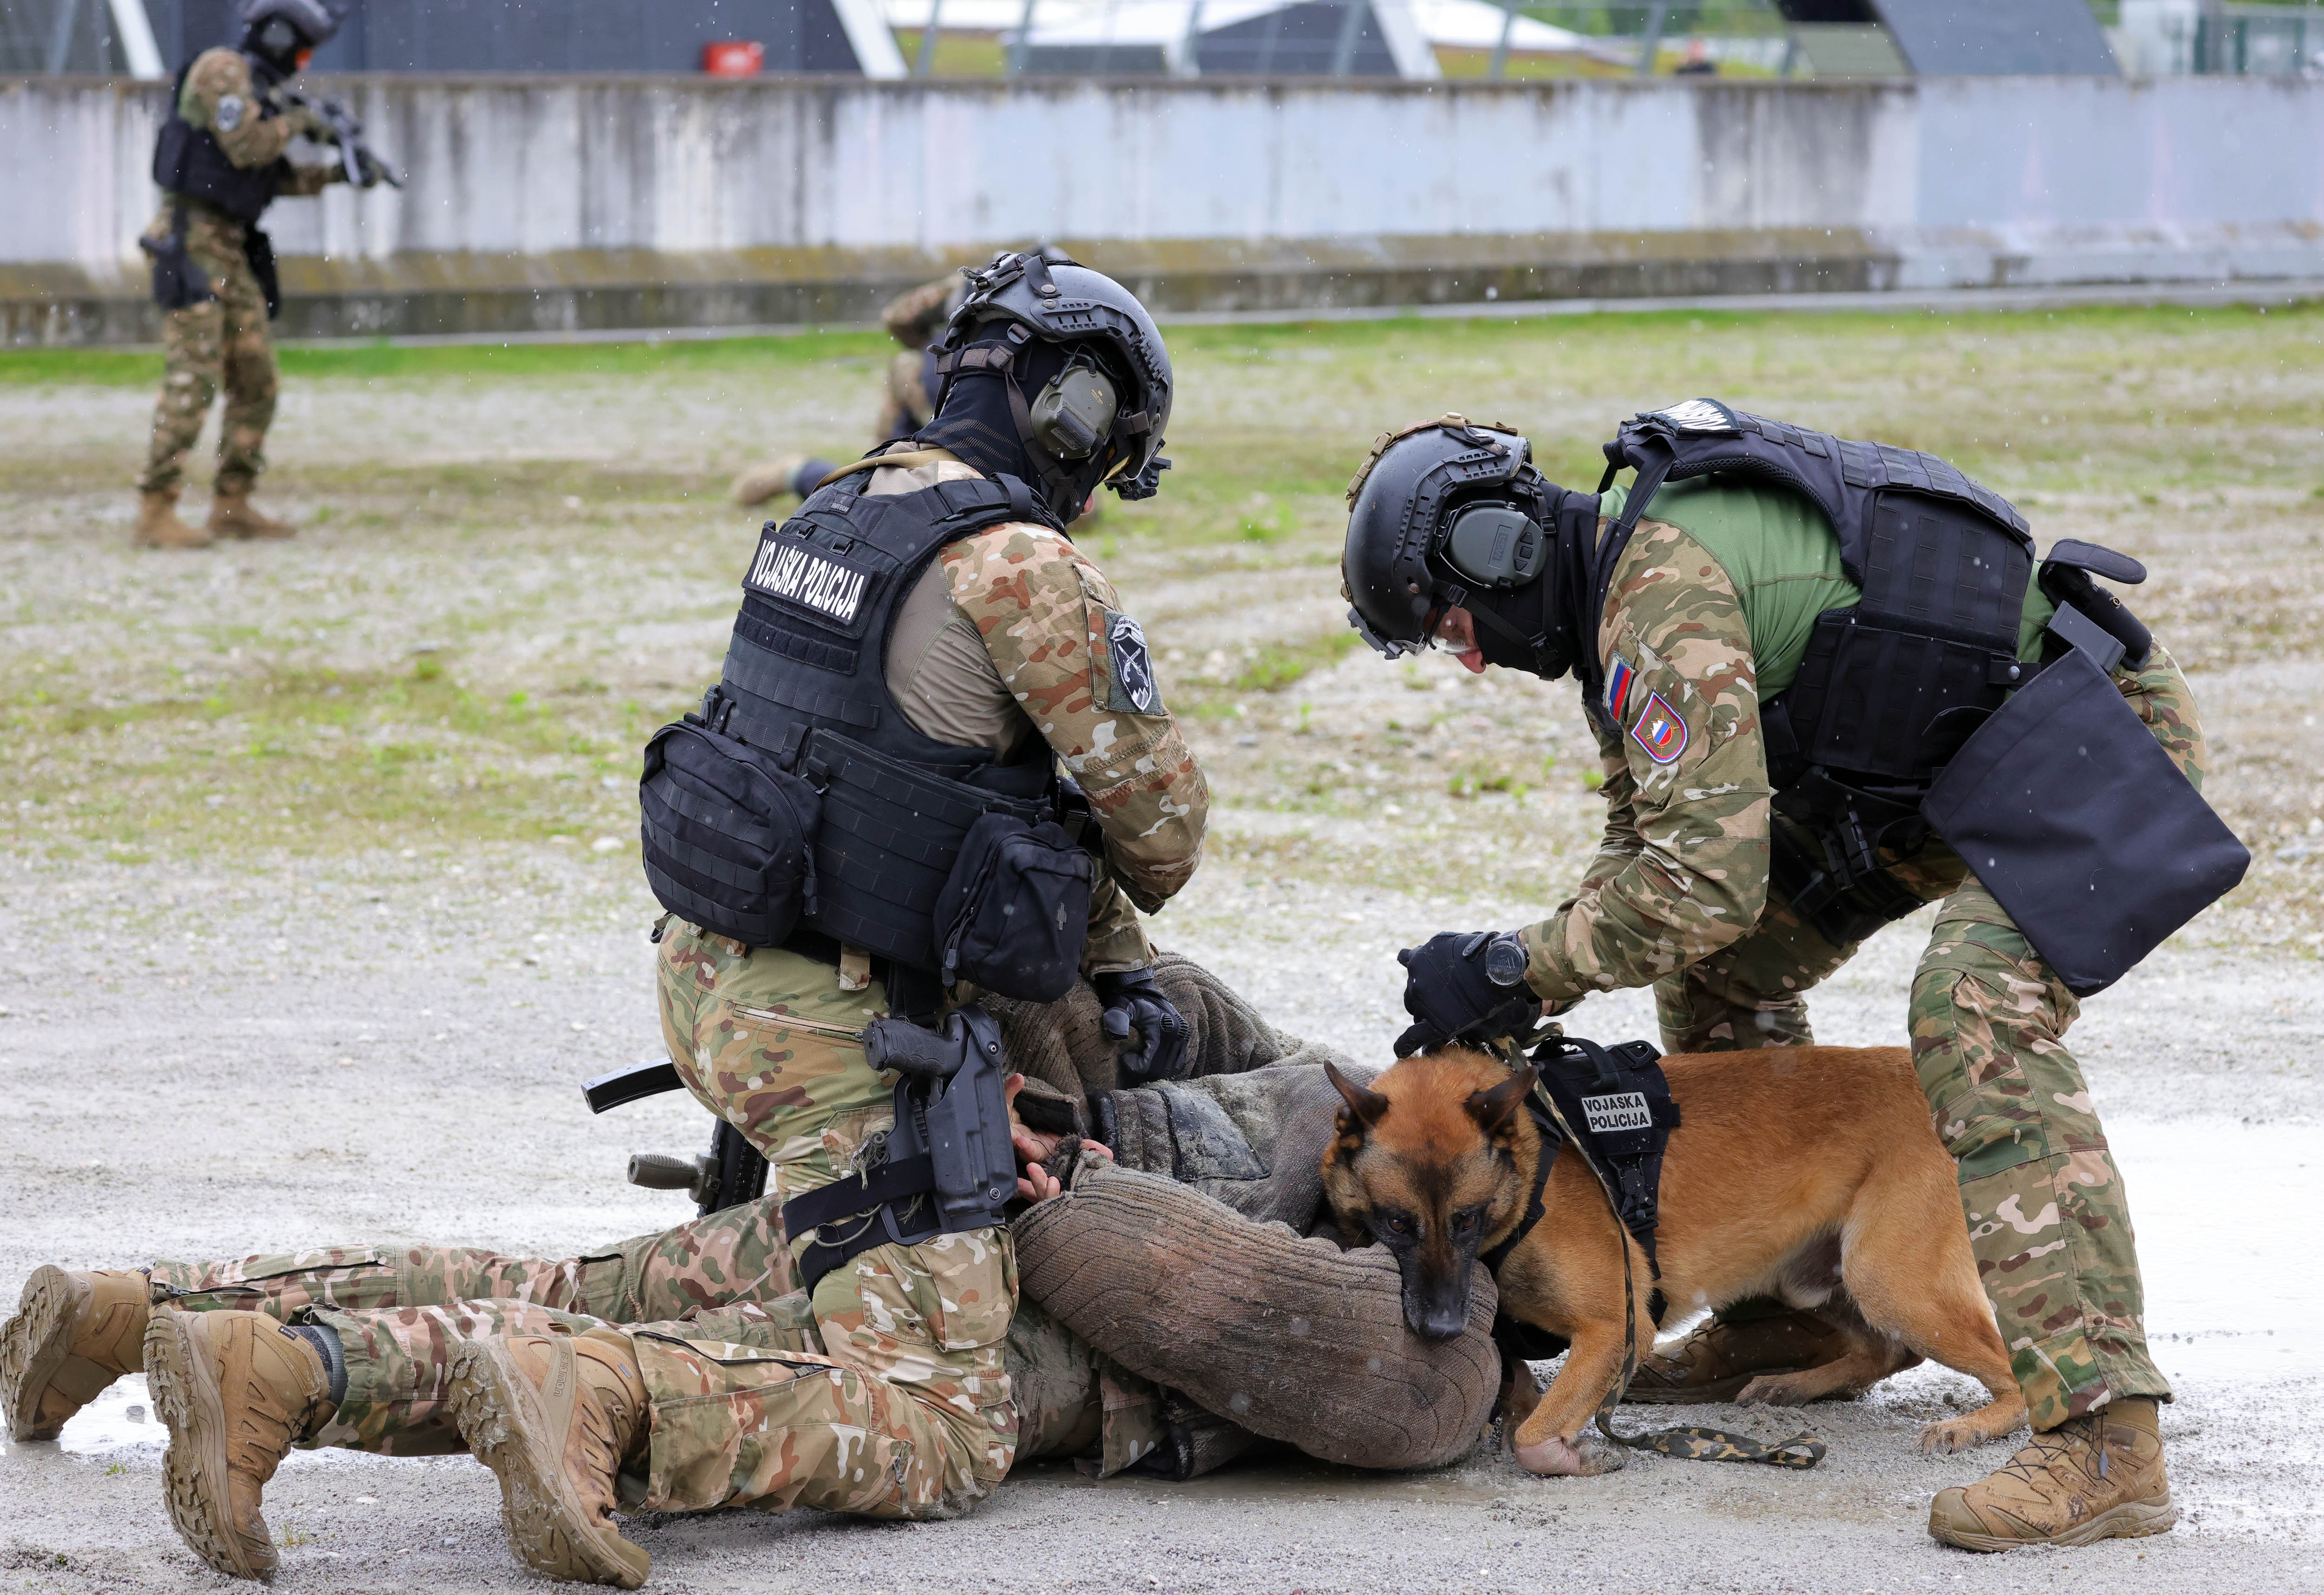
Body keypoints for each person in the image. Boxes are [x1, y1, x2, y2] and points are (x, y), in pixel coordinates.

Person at [4, 250, 1214, 1588]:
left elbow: (901, 772)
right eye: (1111, 460)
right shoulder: (1021, 563)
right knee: (940, 1418)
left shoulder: (840, 512)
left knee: (629, 1282)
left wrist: (1102, 939)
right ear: (1080, 416)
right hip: (848, 1035)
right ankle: (590, 1396)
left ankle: (160, 1319)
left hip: (719, 986)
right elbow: (1161, 832)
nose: (1096, 493)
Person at [1340, 405, 2241, 1552]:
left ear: (1495, 548)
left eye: (1450, 620)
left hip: (2091, 742)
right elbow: (1655, 852)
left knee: (1972, 1005)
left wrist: (1523, 958)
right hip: (1958, 775)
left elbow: (1702, 880)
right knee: (1724, 968)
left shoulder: (1657, 593)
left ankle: (2101, 1430)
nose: (1467, 654)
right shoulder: (1619, 598)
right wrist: (1521, 985)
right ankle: (1777, 1324)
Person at [0, 961, 1503, 1583]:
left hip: (915, 1189)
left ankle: (191, 1320)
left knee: (579, 1283)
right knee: (722, 1374)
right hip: (988, 1286)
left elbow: (1147, 1004)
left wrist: (1061, 1111)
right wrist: (1061, 1175)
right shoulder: (1371, 1164)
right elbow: (1336, 1357)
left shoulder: (1322, 1093)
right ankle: (370, 1375)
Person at [132, 0, 364, 550]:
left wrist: (340, 172)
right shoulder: (223, 71)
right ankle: (155, 509)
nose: (302, 64)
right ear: (281, 38)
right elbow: (247, 146)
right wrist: (304, 121)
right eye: (302, 51)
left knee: (257, 377)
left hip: (228, 247)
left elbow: (265, 177)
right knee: (194, 376)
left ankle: (232, 502)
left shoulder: (258, 93)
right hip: (191, 242)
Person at [727, 273, 963, 512]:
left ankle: (802, 473)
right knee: (871, 499)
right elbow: (898, 318)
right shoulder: (981, 287)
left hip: (955, 448)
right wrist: (968, 284)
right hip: (928, 446)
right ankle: (797, 472)